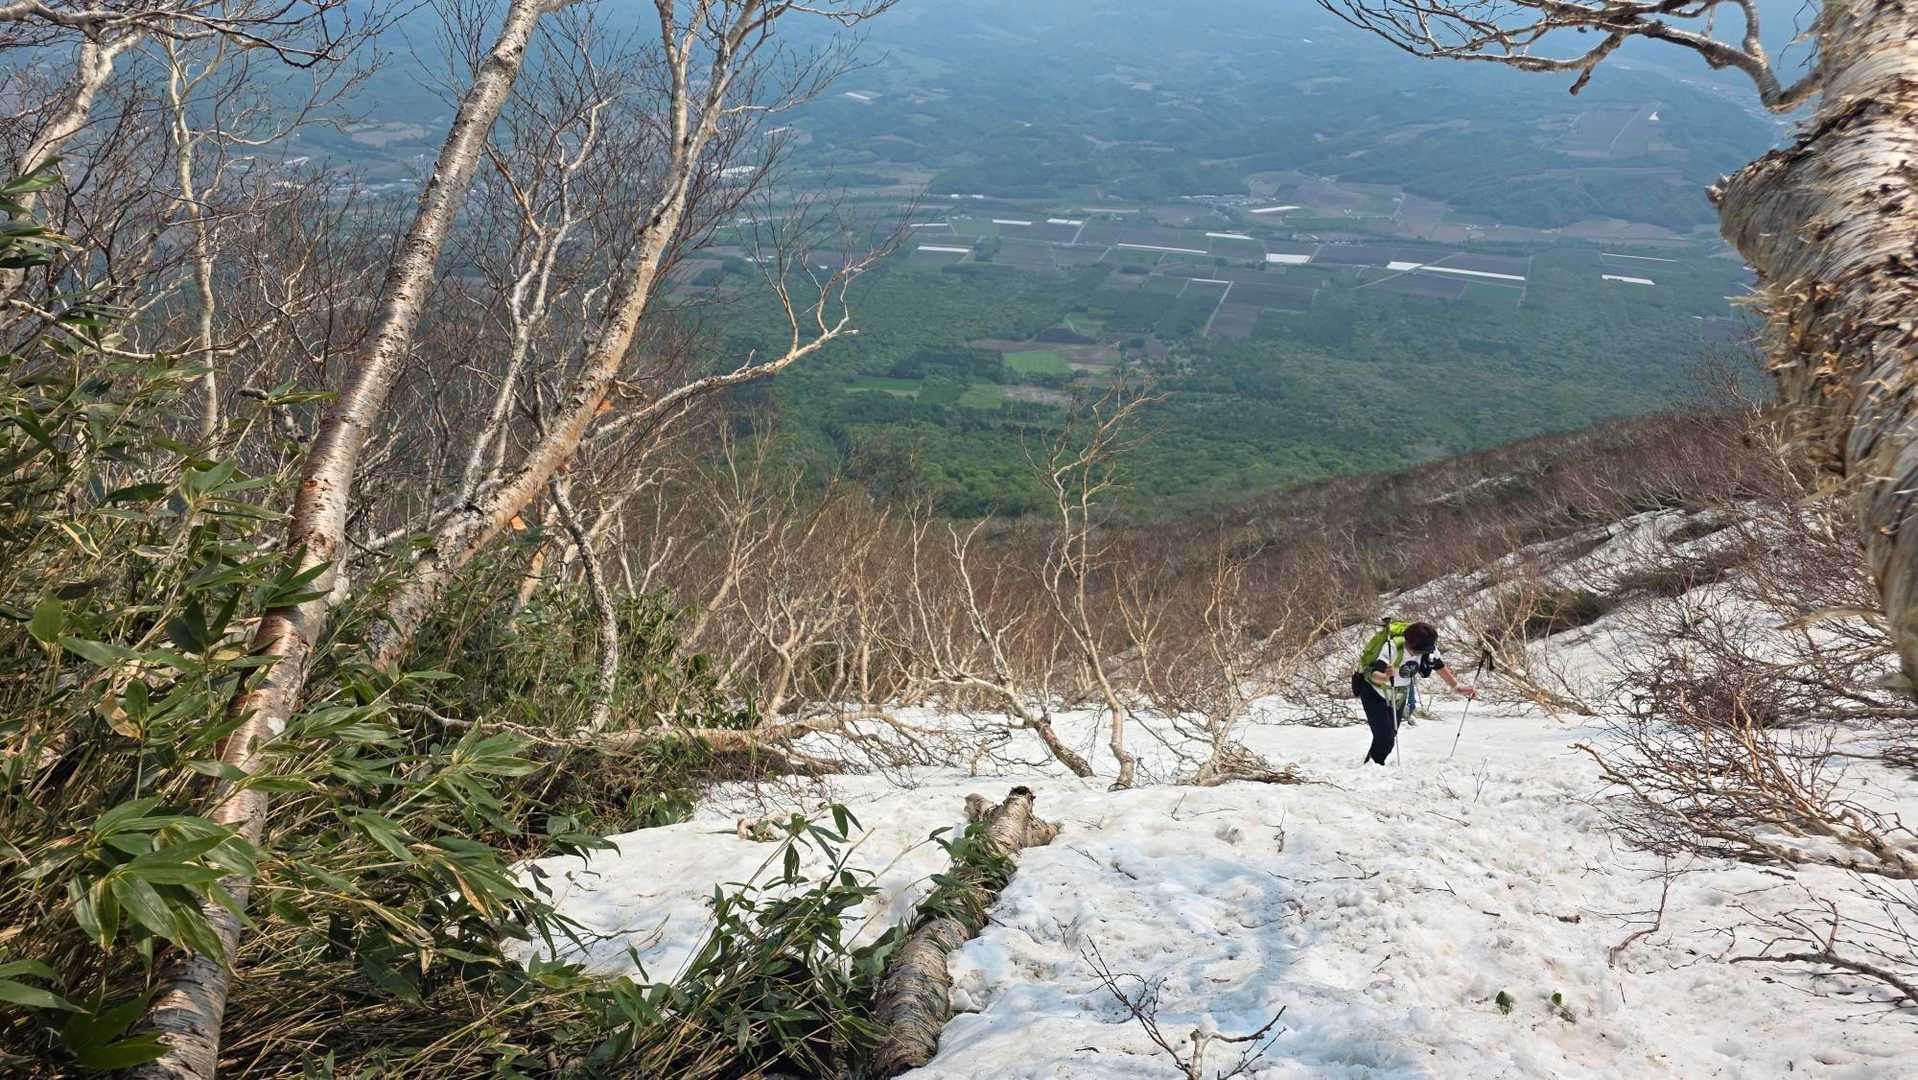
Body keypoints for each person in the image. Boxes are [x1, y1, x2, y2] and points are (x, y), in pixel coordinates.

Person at [1352, 620, 1474, 765]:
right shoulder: (1392, 647)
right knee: (1385, 738)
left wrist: (1457, 687)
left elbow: (1440, 667)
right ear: (1409, 643)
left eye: (1424, 651)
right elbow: (1374, 674)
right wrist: (1385, 677)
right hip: (1374, 692)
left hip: (1398, 696)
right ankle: (1373, 768)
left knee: (1389, 736)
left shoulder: (1428, 649)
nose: (1420, 654)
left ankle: (1371, 766)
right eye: (1417, 651)